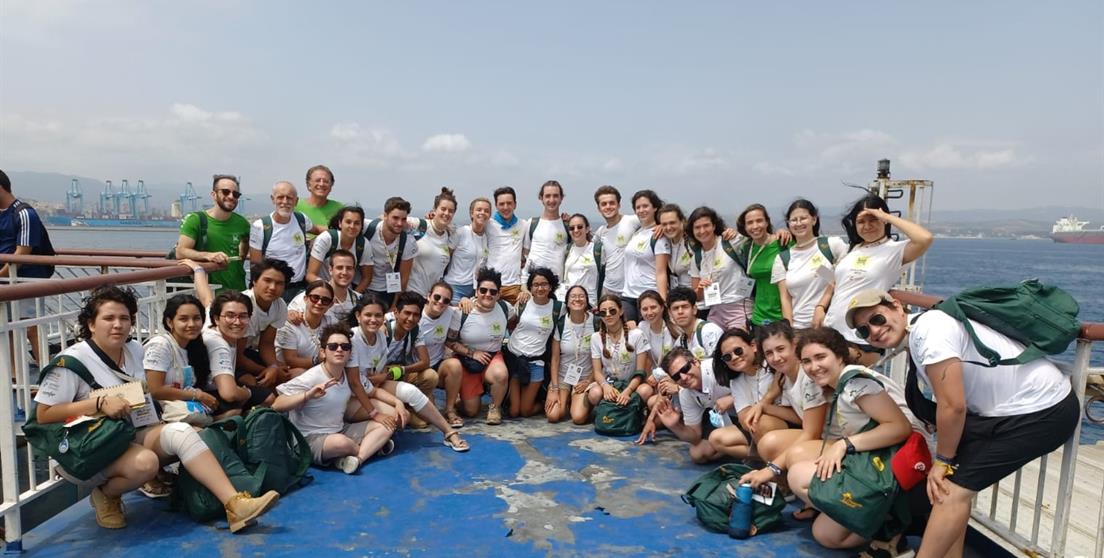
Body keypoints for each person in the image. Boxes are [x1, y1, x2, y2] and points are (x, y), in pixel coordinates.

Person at [847, 289, 1079, 558]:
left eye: (876, 319)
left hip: (1042, 412)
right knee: (950, 488)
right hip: (1007, 413)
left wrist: (943, 460)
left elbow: (953, 406)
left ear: (897, 306)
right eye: (864, 331)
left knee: (950, 492)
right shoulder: (920, 332)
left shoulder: (929, 331)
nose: (874, 332)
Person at [33, 285, 279, 532]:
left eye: (124, 318)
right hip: (89, 446)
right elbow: (43, 415)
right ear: (91, 324)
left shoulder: (135, 350)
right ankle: (106, 494)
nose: (117, 324)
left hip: (126, 433)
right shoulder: (70, 362)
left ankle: (236, 505)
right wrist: (98, 403)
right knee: (146, 463)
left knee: (184, 431)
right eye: (108, 318)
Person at [758, 327, 919, 551]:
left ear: (840, 355)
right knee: (826, 536)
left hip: (896, 463)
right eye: (806, 361)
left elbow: (900, 427)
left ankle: (890, 519)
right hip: (874, 455)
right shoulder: (834, 385)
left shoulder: (854, 382)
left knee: (798, 474)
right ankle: (880, 519)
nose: (814, 367)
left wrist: (845, 445)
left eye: (821, 357)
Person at [343, 295, 470, 452]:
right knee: (398, 417)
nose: (373, 320)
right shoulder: (351, 339)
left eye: (378, 315)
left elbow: (379, 373)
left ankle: (449, 432)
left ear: (384, 317)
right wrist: (375, 412)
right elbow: (355, 384)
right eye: (368, 315)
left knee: (411, 393)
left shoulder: (381, 336)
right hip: (349, 397)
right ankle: (359, 437)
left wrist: (395, 399)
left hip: (370, 387)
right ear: (358, 316)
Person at [823, 194, 933, 363]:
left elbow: (925, 238)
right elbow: (839, 285)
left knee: (854, 386)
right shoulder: (851, 250)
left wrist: (886, 216)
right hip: (831, 330)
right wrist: (820, 309)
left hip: (862, 337)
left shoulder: (894, 251)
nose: (867, 226)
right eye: (861, 221)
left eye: (873, 219)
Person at [274, 324, 395, 474]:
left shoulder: (349, 377)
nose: (339, 350)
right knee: (341, 443)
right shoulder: (311, 377)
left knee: (387, 425)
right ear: (323, 352)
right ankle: (372, 449)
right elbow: (277, 405)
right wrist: (307, 395)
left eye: (345, 347)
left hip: (339, 429)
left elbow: (373, 390)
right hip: (308, 438)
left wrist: (398, 404)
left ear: (350, 353)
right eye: (333, 346)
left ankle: (357, 459)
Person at [441, 267, 514, 424]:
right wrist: (471, 353)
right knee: (471, 411)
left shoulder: (505, 308)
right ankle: (462, 396)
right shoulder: (462, 312)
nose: (488, 294)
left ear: (499, 294)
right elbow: (450, 341)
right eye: (483, 290)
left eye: (493, 292)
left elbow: (515, 321)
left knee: (501, 374)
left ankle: (495, 407)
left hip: (493, 356)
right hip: (467, 360)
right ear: (476, 291)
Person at [705, 328, 786, 459]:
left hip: (785, 421)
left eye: (738, 351)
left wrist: (759, 410)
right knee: (716, 438)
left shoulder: (772, 365)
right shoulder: (736, 381)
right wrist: (767, 400)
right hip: (757, 425)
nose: (735, 357)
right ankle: (763, 455)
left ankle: (768, 460)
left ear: (753, 346)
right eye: (727, 356)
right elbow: (744, 421)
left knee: (758, 423)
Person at [0, 169, 54, 365]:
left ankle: (47, 372)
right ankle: (14, 374)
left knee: (32, 326)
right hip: (7, 278)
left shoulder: (24, 213)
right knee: (9, 326)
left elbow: (21, 255)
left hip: (27, 278)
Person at [644, 348, 732, 463]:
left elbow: (755, 382)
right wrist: (675, 426)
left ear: (696, 362)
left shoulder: (718, 368)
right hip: (729, 421)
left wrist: (733, 398)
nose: (684, 377)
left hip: (751, 410)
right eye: (677, 377)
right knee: (697, 453)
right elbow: (695, 437)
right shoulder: (685, 394)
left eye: (685, 369)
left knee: (717, 438)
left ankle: (753, 454)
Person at [772, 199, 848, 329]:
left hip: (830, 325)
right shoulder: (783, 258)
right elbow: (785, 299)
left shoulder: (831, 246)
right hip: (799, 328)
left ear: (814, 220)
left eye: (803, 218)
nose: (798, 223)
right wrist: (789, 330)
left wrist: (821, 306)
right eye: (794, 220)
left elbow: (842, 279)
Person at [249, 181, 323, 302]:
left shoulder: (301, 219)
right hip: (274, 290)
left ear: (296, 201)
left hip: (300, 288)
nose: (285, 201)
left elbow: (318, 230)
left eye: (289, 198)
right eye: (280, 197)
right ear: (273, 199)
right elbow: (255, 264)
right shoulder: (261, 226)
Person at [174, 174, 250, 292]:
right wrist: (208, 255)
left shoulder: (243, 224)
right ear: (214, 195)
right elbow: (180, 251)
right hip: (208, 292)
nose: (231, 196)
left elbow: (245, 248)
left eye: (235, 194)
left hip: (238, 291)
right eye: (225, 192)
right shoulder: (196, 220)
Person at [502, 267, 560, 418]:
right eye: (536, 284)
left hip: (536, 363)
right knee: (514, 411)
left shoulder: (559, 308)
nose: (540, 288)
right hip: (514, 360)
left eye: (544, 284)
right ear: (530, 288)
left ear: (551, 286)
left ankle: (542, 401)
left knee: (525, 411)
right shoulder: (523, 303)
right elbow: (510, 320)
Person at [204, 290, 274, 414]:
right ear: (216, 318)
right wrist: (247, 392)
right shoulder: (218, 344)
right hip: (203, 393)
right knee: (267, 398)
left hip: (214, 382)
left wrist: (198, 270)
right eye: (230, 316)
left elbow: (206, 297)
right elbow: (229, 393)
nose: (237, 322)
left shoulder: (221, 330)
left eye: (243, 316)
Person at [377, 291, 438, 429]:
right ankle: (401, 409)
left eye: (416, 315)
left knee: (431, 376)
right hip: (378, 375)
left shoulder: (416, 330)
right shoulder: (383, 327)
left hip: (397, 371)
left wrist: (402, 370)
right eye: (407, 313)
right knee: (426, 417)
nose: (411, 318)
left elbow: (425, 362)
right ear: (396, 312)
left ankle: (409, 408)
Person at [687, 206, 754, 331]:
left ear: (714, 226)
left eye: (706, 225)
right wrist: (700, 288)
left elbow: (757, 240)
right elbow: (697, 297)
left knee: (738, 345)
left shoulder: (730, 242)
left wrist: (780, 234)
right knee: (714, 347)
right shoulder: (696, 257)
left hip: (739, 305)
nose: (702, 231)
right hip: (715, 310)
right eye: (697, 227)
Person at [585, 295, 654, 412]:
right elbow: (597, 372)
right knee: (594, 394)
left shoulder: (637, 334)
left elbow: (640, 372)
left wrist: (628, 390)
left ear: (621, 311)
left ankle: (628, 411)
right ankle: (611, 411)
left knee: (645, 391)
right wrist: (605, 386)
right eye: (603, 313)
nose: (608, 315)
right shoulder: (595, 338)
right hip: (610, 384)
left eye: (612, 311)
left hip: (632, 384)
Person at [237, 258, 292, 389]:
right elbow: (237, 356)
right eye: (267, 281)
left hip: (246, 352)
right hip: (226, 356)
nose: (272, 287)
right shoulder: (244, 305)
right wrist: (268, 370)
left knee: (287, 373)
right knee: (254, 382)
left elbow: (266, 343)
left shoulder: (280, 305)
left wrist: (273, 367)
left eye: (279, 283)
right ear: (254, 281)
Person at [547, 285, 597, 424]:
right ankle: (566, 399)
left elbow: (600, 359)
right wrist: (555, 388)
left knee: (578, 418)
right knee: (554, 415)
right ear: (567, 302)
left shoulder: (595, 322)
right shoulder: (562, 323)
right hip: (563, 376)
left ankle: (578, 401)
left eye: (581, 296)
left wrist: (589, 380)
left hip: (585, 378)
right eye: (573, 296)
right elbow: (555, 359)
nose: (577, 299)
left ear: (587, 301)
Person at [620, 190, 671, 323]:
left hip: (649, 297)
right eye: (638, 207)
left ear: (655, 207)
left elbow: (661, 272)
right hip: (628, 296)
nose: (641, 210)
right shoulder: (637, 233)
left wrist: (662, 302)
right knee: (629, 338)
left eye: (645, 206)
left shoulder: (658, 236)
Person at [363, 197, 419, 308]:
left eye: (403, 219)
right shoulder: (367, 228)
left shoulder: (407, 241)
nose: (399, 223)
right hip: (361, 286)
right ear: (385, 215)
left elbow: (404, 277)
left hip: (387, 291)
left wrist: (395, 304)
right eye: (395, 218)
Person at [737, 203, 787, 328]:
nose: (755, 226)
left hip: (783, 316)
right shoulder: (747, 247)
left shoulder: (783, 242)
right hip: (759, 317)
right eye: (750, 222)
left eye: (759, 221)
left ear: (767, 222)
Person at [276, 280, 338, 376]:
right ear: (305, 299)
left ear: (331, 304)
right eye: (315, 298)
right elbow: (290, 360)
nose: (319, 303)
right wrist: (317, 360)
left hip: (318, 371)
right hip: (289, 372)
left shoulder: (332, 323)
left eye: (325, 300)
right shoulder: (290, 323)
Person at [407, 187, 458, 297]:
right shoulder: (420, 225)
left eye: (451, 211)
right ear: (434, 210)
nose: (446, 213)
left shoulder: (450, 235)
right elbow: (391, 219)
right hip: (410, 294)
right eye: (443, 209)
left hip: (431, 298)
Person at [592, 185, 640, 299]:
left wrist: (660, 227)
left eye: (612, 203)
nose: (608, 207)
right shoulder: (601, 232)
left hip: (630, 290)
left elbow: (655, 219)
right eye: (604, 204)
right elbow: (586, 244)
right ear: (598, 208)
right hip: (608, 289)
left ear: (618, 205)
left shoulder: (632, 221)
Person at [289, 249, 361, 324]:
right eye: (339, 267)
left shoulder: (360, 300)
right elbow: (287, 320)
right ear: (330, 270)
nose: (344, 272)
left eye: (349, 268)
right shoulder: (311, 297)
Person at [307, 205, 369, 292]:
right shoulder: (326, 239)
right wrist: (329, 292)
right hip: (321, 290)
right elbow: (310, 275)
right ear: (340, 223)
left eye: (357, 223)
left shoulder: (363, 244)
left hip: (346, 292)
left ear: (361, 226)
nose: (352, 226)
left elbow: (367, 278)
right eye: (348, 222)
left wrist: (354, 298)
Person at [443, 197, 491, 304]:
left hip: (474, 289)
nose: (482, 213)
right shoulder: (460, 233)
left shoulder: (486, 237)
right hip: (455, 287)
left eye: (486, 211)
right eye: (479, 210)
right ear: (471, 213)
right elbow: (445, 257)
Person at [485, 187, 526, 304]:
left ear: (515, 204)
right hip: (492, 284)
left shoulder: (523, 225)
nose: (506, 207)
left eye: (509, 203)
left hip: (514, 286)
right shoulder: (488, 224)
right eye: (501, 204)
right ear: (496, 206)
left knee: (514, 321)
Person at [522, 180, 569, 281]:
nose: (551, 200)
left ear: (561, 198)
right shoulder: (532, 223)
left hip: (557, 283)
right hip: (533, 283)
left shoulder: (568, 226)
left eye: (555, 196)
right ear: (541, 198)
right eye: (547, 196)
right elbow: (526, 252)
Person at [555, 213, 603, 307]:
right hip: (569, 301)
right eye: (572, 228)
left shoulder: (598, 250)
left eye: (580, 227)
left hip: (590, 303)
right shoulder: (566, 250)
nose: (576, 230)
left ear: (588, 229)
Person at [666, 286, 724, 361]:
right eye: (675, 308)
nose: (680, 312)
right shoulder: (680, 342)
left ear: (694, 309)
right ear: (670, 313)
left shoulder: (710, 331)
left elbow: (720, 365)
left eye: (684, 307)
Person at [295, 164, 344, 240]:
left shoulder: (340, 209)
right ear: (309, 185)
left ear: (331, 186)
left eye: (326, 181)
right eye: (318, 180)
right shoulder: (295, 206)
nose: (321, 184)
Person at [658, 204, 694, 289]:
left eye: (672, 223)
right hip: (676, 294)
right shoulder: (665, 242)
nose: (668, 227)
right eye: (664, 224)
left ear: (682, 221)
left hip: (695, 295)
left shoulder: (693, 242)